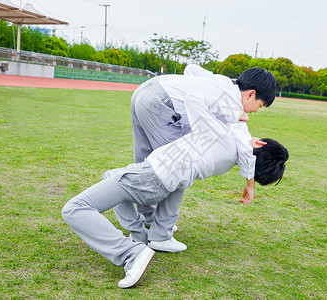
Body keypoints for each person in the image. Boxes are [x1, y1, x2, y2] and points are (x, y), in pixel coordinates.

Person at [61, 95, 288, 289]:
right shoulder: (229, 158)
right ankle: (139, 235)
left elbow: (194, 98)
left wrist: (233, 110)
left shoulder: (224, 135)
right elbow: (244, 146)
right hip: (154, 180)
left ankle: (130, 253)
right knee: (112, 176)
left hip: (150, 178)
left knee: (75, 209)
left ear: (259, 143)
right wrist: (249, 182)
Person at [113, 64, 277, 251]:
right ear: (250, 94)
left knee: (146, 159)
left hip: (146, 90)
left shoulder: (222, 81)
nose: (254, 111)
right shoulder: (235, 106)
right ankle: (161, 234)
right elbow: (245, 146)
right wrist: (250, 183)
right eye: (260, 105)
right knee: (178, 166)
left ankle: (149, 218)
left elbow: (191, 68)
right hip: (160, 103)